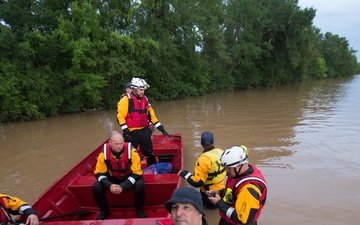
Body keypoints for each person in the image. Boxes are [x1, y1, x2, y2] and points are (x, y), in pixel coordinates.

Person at [92, 131, 146, 220]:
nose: (119, 146)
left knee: (139, 185)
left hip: (130, 176)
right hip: (112, 178)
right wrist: (110, 185)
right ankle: (104, 211)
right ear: (110, 142)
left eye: (121, 143)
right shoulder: (103, 155)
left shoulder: (132, 152)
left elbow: (137, 173)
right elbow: (98, 173)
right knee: (96, 187)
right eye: (116, 144)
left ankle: (139, 208)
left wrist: (123, 186)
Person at [207, 145, 267, 225]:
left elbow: (241, 219)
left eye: (229, 168)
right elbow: (233, 192)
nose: (226, 171)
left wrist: (219, 203)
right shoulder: (238, 174)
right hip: (227, 220)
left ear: (239, 165)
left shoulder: (249, 189)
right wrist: (219, 192)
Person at [116, 77, 170, 166]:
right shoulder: (126, 100)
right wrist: (126, 132)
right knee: (129, 153)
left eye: (143, 90)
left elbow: (151, 116)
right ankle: (128, 170)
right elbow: (120, 117)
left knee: (148, 151)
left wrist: (161, 129)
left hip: (144, 130)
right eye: (141, 90)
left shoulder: (145, 100)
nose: (143, 92)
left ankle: (152, 168)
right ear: (134, 89)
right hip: (131, 132)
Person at [178, 131, 226, 209]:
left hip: (210, 194)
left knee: (208, 210)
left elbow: (197, 182)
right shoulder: (221, 152)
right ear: (213, 142)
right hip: (223, 190)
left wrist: (185, 174)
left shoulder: (203, 159)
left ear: (201, 143)